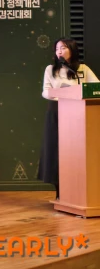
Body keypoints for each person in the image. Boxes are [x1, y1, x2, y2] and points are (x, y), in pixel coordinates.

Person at [38, 38, 99, 197]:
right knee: (57, 150)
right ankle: (60, 191)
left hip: (78, 112)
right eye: (57, 48)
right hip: (57, 111)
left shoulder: (83, 69)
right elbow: (45, 91)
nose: (59, 51)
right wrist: (63, 95)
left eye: (63, 48)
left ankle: (79, 191)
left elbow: (96, 87)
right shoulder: (50, 69)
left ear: (72, 50)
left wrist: (78, 93)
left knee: (78, 150)